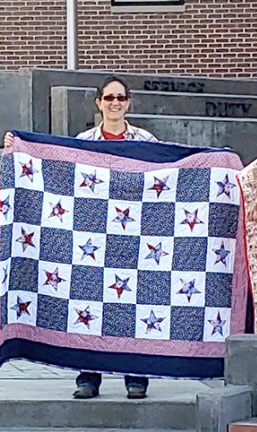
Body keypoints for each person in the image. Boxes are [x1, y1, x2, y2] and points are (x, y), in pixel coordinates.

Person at [69, 77, 155, 399]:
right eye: (109, 98)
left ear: (128, 102)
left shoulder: (146, 139)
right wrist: (16, 145)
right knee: (89, 305)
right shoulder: (84, 141)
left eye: (120, 97)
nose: (114, 103)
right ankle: (88, 379)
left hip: (134, 235)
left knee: (134, 304)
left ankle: (136, 379)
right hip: (94, 234)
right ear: (98, 103)